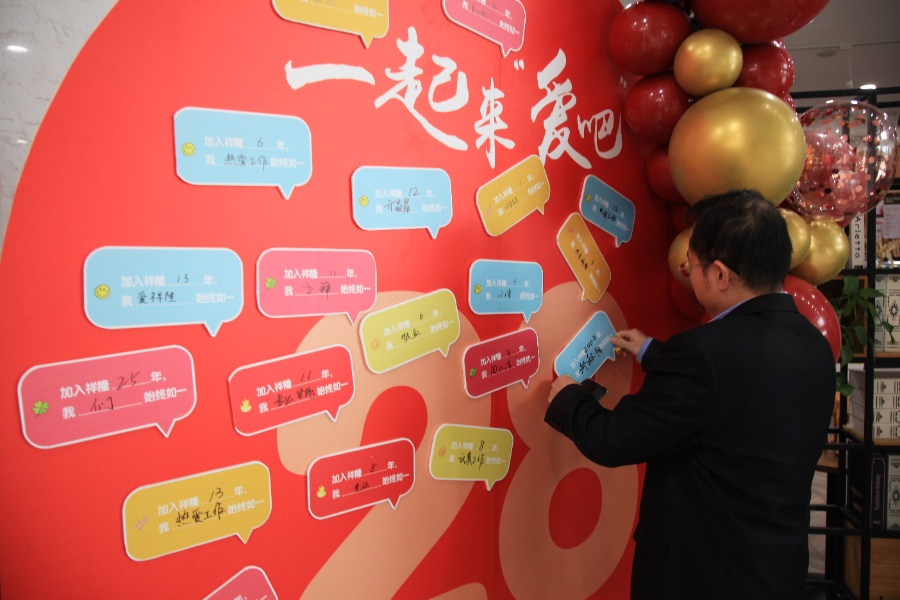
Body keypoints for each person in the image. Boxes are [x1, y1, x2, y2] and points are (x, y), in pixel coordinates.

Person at [545, 189, 836, 600]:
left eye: (692, 264)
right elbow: (739, 396)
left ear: (720, 275)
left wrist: (568, 399)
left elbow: (615, 439)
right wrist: (653, 352)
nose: (686, 270)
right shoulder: (813, 346)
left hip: (700, 576)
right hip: (775, 572)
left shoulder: (704, 355)